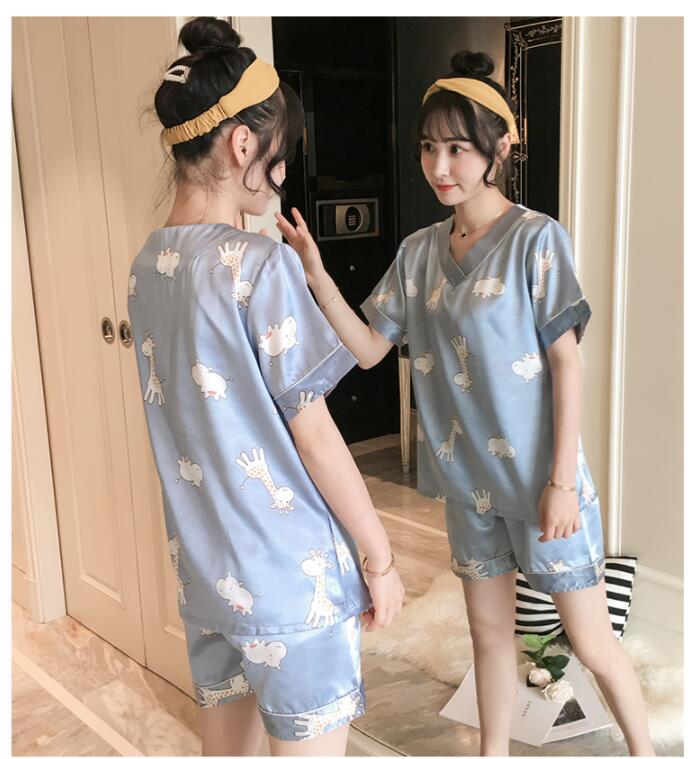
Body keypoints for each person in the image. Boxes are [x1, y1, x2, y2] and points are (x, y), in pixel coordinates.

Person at [275, 50, 654, 757]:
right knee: (487, 635)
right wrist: (317, 274)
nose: (439, 165)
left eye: (457, 148)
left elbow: (567, 363)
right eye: (428, 147)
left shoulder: (537, 239)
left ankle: (645, 750)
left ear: (499, 148)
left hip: (542, 482)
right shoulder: (419, 252)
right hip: (467, 484)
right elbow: (369, 348)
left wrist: (562, 482)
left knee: (590, 639)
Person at [127, 17, 404, 757]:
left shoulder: (148, 267)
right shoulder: (256, 264)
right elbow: (314, 433)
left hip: (209, 579)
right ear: (243, 145)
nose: (281, 176)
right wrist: (379, 557)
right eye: (280, 159)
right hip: (292, 582)